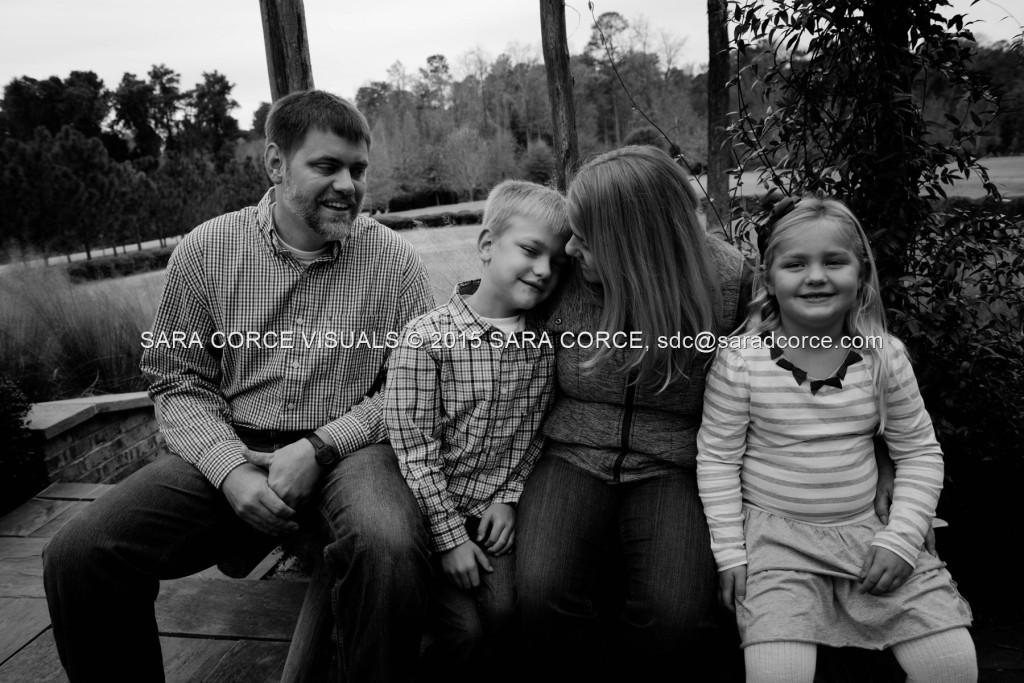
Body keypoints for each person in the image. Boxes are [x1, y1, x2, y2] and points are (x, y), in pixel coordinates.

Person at [42, 90, 434, 682]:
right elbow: (176, 380)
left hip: (352, 448)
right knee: (79, 556)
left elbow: (412, 386)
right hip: (234, 439)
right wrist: (229, 470)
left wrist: (321, 446)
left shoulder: (395, 262)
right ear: (276, 164)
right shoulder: (206, 251)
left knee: (391, 548)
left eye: (358, 170)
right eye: (326, 166)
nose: (348, 186)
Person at [696, 196, 976, 683]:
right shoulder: (740, 361)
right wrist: (731, 553)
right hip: (774, 542)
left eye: (834, 261)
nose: (816, 276)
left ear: (861, 273)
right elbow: (717, 460)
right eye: (795, 264)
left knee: (952, 665)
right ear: (767, 278)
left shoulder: (883, 358)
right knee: (777, 672)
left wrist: (903, 537)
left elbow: (919, 453)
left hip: (868, 534)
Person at [514, 145, 753, 678]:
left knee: (676, 619)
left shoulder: (730, 283)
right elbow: (490, 317)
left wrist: (878, 457)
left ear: (632, 245)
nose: (570, 248)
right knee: (541, 593)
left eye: (587, 238)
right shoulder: (566, 275)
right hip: (571, 454)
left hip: (674, 464)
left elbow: (799, 370)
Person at [385, 180, 569, 678]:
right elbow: (415, 452)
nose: (544, 270)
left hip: (492, 515)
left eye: (556, 260)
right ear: (487, 245)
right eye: (530, 250)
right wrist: (447, 539)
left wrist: (509, 497)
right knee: (463, 635)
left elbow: (534, 435)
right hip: (428, 516)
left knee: (508, 615)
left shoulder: (545, 345)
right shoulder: (426, 340)